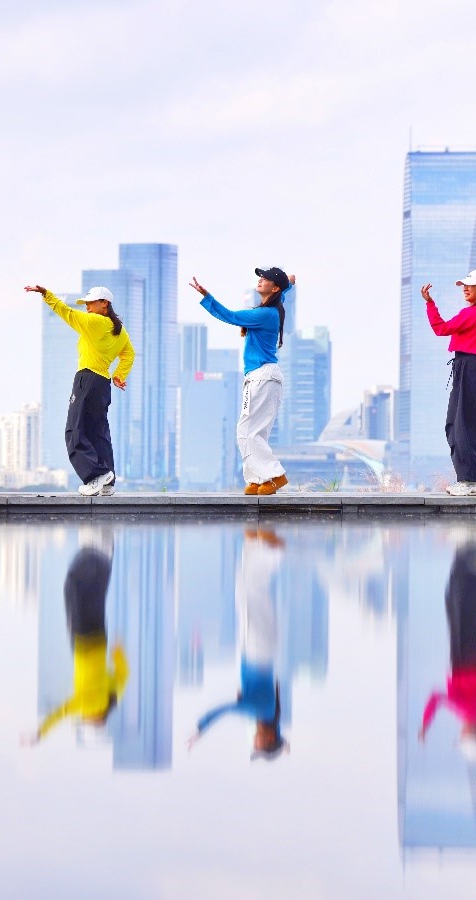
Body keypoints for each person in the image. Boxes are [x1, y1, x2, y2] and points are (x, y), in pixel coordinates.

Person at [189, 268, 296, 495]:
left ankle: (275, 475)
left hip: (261, 377)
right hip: (267, 377)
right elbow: (284, 290)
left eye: (266, 279)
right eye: (261, 277)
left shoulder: (265, 314)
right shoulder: (275, 307)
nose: (261, 280)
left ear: (274, 288)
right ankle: (257, 478)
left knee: (246, 431)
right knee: (256, 432)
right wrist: (289, 283)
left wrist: (207, 297)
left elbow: (230, 316)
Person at [186, 528, 288, 761]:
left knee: (245, 590)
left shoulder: (266, 713)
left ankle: (254, 544)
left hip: (256, 649)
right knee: (250, 590)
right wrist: (201, 727)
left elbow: (272, 727)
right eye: (259, 745)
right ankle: (272, 553)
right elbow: (227, 709)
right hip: (258, 649)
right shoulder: (261, 711)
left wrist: (282, 742)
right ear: (268, 738)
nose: (254, 742)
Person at [25, 284, 135, 496]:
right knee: (98, 433)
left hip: (87, 379)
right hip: (102, 384)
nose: (87, 307)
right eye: (86, 303)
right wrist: (119, 375)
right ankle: (108, 481)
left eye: (91, 303)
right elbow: (129, 354)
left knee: (74, 431)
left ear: (105, 304)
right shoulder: (119, 331)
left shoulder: (95, 322)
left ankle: (95, 476)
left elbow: (67, 313)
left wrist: (47, 295)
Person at [24, 529, 129, 745]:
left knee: (92, 598)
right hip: (82, 641)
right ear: (97, 719)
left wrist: (118, 651)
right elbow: (59, 714)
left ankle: (103, 551)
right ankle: (96, 549)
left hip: (98, 639)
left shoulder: (113, 697)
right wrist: (39, 733)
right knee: (74, 587)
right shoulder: (88, 705)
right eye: (88, 721)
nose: (84, 718)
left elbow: (123, 674)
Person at [420, 269, 476, 497]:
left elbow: (441, 329)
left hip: (469, 370)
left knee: (460, 427)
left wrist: (430, 304)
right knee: (468, 426)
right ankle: (472, 481)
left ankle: (469, 481)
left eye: (471, 285)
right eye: (464, 285)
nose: (465, 288)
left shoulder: (473, 314)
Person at [417, 534, 476, 758]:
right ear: (471, 733)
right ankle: (467, 544)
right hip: (466, 652)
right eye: (463, 737)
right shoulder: (471, 711)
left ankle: (471, 545)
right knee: (459, 595)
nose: (460, 733)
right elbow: (436, 697)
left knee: (465, 595)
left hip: (474, 649)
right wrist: (425, 725)